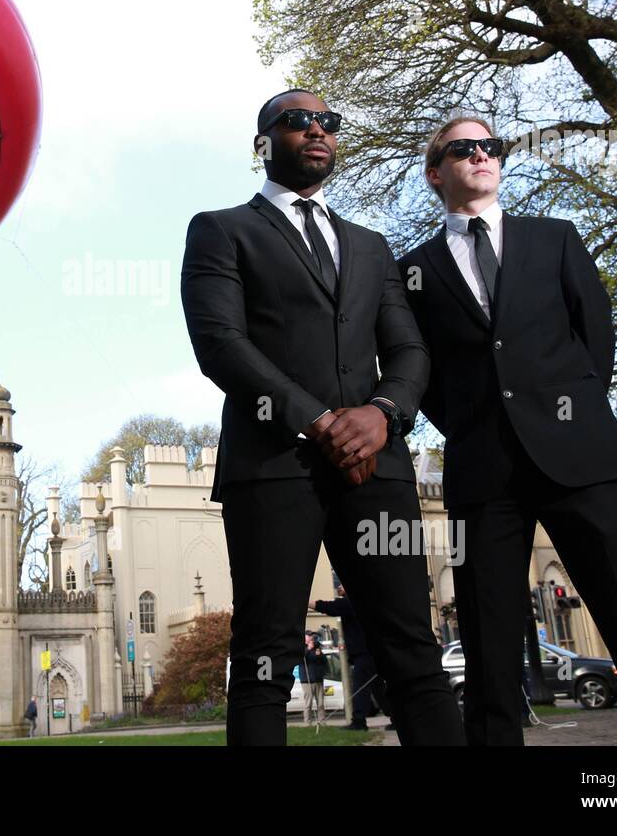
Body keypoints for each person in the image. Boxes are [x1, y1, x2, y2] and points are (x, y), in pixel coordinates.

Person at [397, 116, 617, 746]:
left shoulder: (555, 238)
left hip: (577, 457)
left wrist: (571, 412)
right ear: (437, 172)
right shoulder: (413, 270)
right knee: (489, 640)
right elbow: (419, 366)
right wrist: (471, 424)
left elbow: (595, 334)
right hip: (484, 469)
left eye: (491, 146)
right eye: (464, 148)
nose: (482, 155)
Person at [180, 87, 464, 746]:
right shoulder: (221, 230)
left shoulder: (371, 246)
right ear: (263, 144)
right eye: (297, 121)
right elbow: (220, 344)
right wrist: (319, 421)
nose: (316, 130)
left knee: (413, 654)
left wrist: (384, 414)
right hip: (275, 467)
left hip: (379, 472)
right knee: (263, 656)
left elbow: (408, 350)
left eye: (328, 123)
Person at [311, 585, 391, 731]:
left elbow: (328, 607)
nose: (338, 587)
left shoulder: (352, 601)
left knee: (360, 688)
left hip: (365, 654)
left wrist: (306, 602)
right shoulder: (363, 601)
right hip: (372, 653)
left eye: (341, 585)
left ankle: (359, 722)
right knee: (379, 689)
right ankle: (398, 718)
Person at [298, 631, 328, 725]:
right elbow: (300, 659)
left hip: (318, 679)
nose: (311, 639)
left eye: (312, 637)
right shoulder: (301, 648)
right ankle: (308, 723)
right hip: (307, 680)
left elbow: (324, 661)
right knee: (308, 703)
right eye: (309, 637)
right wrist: (308, 649)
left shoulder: (317, 648)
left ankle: (322, 722)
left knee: (320, 703)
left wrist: (320, 655)